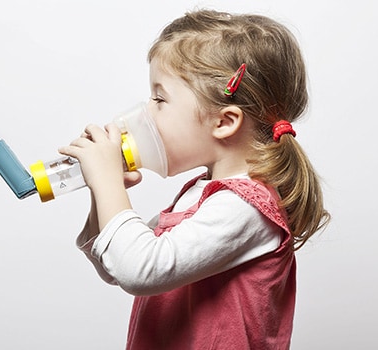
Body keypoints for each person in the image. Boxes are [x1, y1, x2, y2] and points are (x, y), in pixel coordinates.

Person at [58, 9, 330, 349]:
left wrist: (109, 183)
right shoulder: (201, 194)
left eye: (159, 99)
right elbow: (116, 266)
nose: (145, 112)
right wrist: (101, 193)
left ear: (224, 122)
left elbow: (140, 270)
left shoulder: (245, 208)